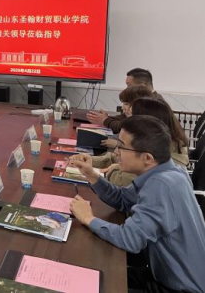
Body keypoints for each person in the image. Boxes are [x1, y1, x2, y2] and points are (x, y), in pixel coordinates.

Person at [69, 116, 205, 293]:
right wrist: (91, 175)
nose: (116, 152)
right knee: (92, 274)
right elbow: (123, 200)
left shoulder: (161, 186)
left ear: (147, 158)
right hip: (165, 275)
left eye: (122, 147)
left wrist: (88, 218)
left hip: (178, 288)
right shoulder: (169, 171)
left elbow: (129, 239)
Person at [88, 68, 163, 130]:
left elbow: (128, 126)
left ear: (142, 86)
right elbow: (124, 118)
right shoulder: (144, 100)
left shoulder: (154, 104)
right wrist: (104, 117)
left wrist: (105, 120)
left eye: (129, 85)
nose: (126, 89)